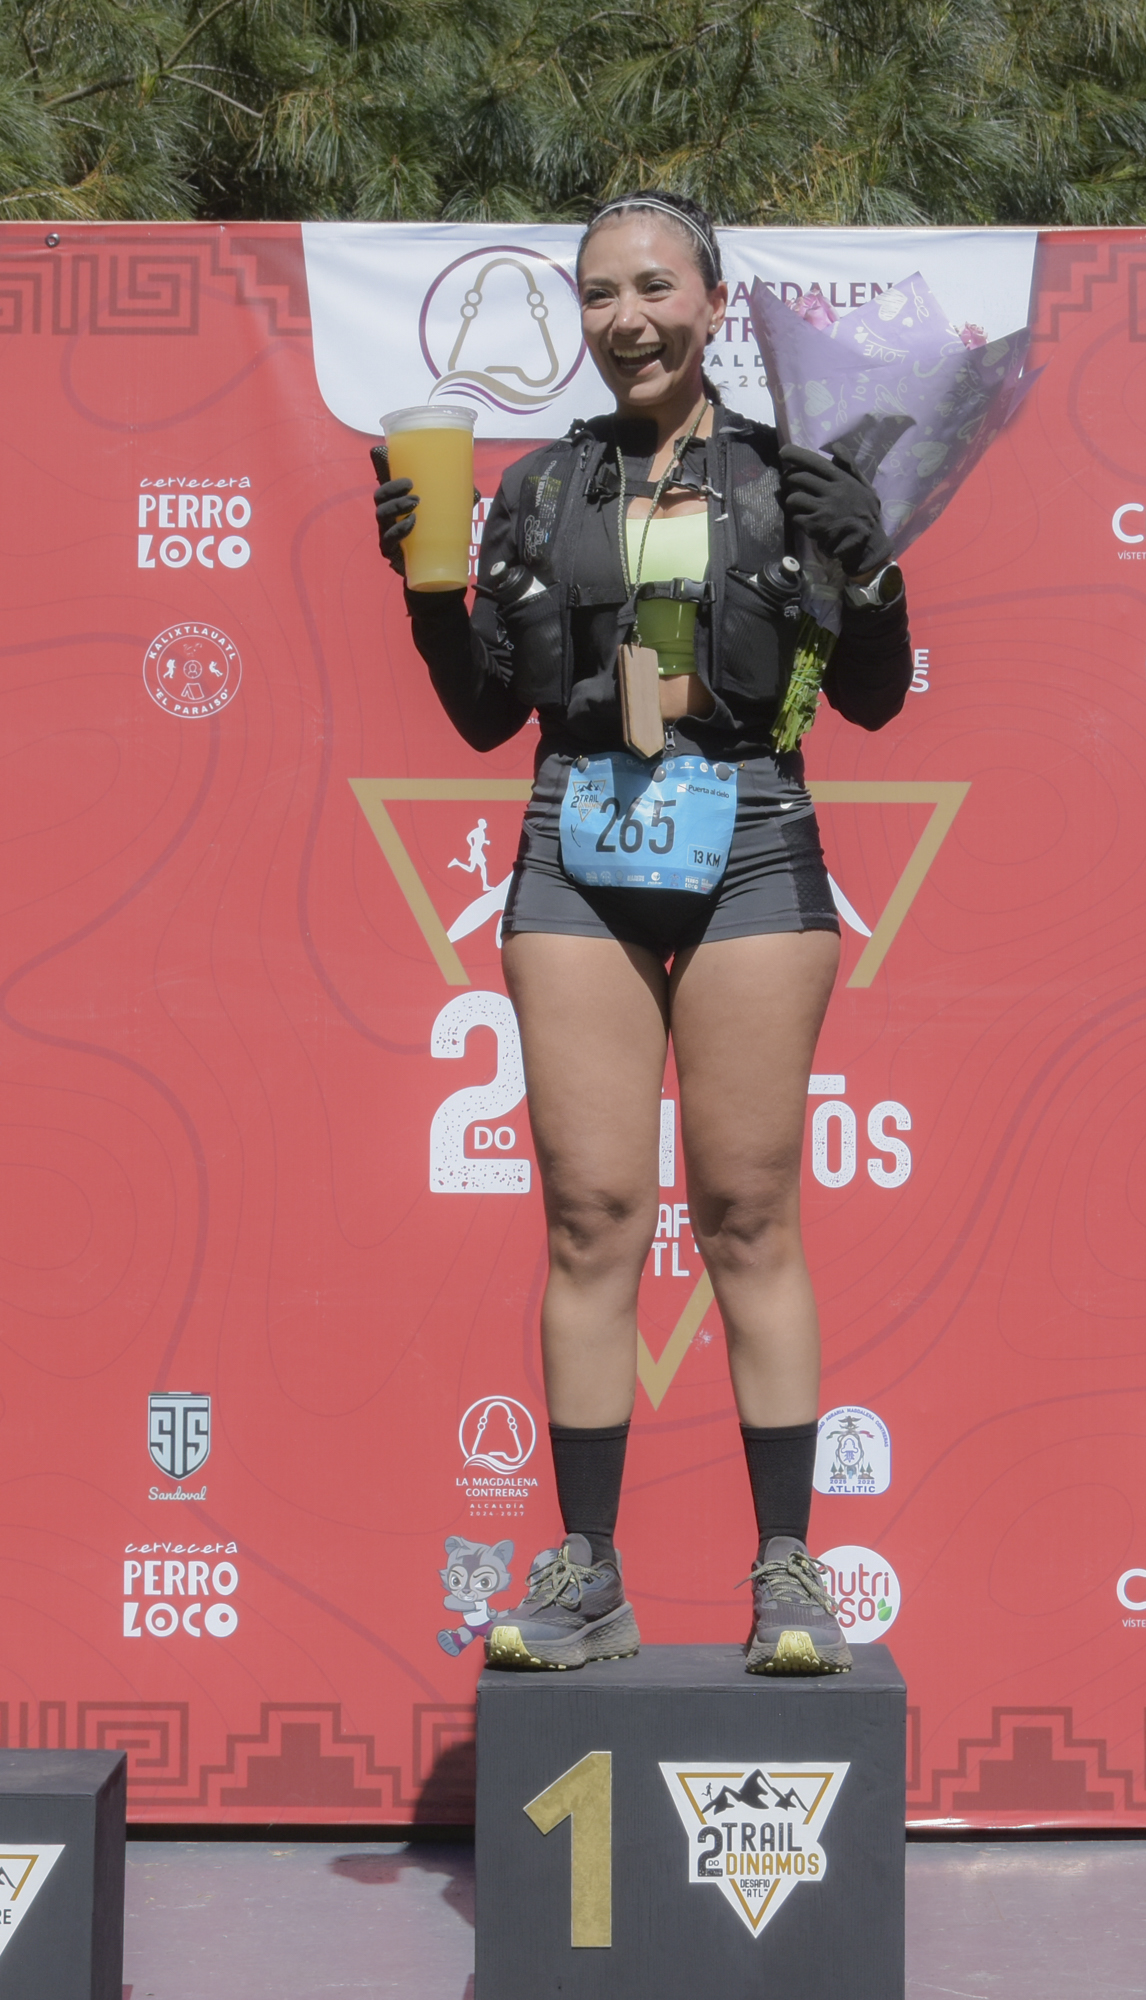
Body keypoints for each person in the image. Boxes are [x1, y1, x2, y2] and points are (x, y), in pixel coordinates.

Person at [372, 191, 913, 1675]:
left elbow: (871, 699)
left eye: (657, 288)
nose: (629, 319)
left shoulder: (793, 477)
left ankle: (789, 1571)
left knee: (746, 1214)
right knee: (591, 1216)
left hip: (753, 831)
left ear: (714, 303)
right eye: (601, 293)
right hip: (575, 832)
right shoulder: (540, 487)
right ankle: (588, 1574)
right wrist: (427, 593)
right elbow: (486, 716)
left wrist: (870, 572)